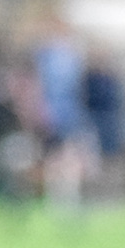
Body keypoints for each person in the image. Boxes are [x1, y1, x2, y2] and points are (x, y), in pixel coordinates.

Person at [29, 16, 96, 223]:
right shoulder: (44, 55)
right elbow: (39, 85)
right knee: (51, 158)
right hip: (50, 115)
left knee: (69, 157)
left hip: (70, 115)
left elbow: (79, 88)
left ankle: (68, 197)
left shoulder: (72, 54)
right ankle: (54, 197)